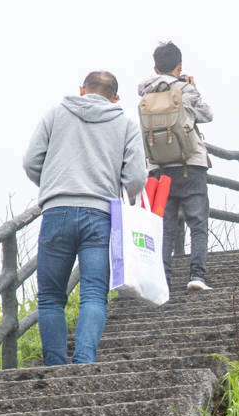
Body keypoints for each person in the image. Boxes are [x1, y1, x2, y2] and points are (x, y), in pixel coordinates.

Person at [22, 70, 145, 365]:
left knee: (51, 297)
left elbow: (30, 162)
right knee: (93, 294)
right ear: (115, 97)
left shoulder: (55, 114)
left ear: (82, 89)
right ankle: (84, 363)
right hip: (99, 215)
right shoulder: (125, 123)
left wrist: (55, 186)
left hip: (56, 212)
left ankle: (54, 366)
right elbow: (136, 178)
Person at [137, 41, 215, 293]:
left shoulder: (146, 94)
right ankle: (197, 275)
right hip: (190, 164)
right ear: (179, 66)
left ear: (155, 67)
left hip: (158, 168)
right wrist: (192, 87)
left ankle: (164, 280)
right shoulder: (185, 90)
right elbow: (206, 114)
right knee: (198, 223)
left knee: (164, 227)